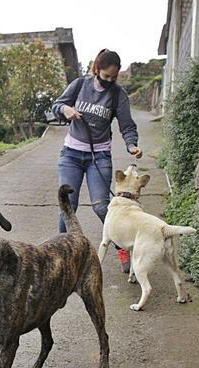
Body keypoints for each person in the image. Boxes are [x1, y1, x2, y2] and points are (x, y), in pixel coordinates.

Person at [51, 49, 143, 273]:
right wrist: (66, 109)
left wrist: (131, 145)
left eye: (114, 77)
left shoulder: (117, 94)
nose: (110, 80)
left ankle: (122, 247)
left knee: (102, 206)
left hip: (99, 156)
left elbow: (127, 124)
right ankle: (60, 254)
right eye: (106, 76)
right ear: (96, 70)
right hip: (71, 154)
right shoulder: (80, 85)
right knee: (68, 205)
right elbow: (56, 105)